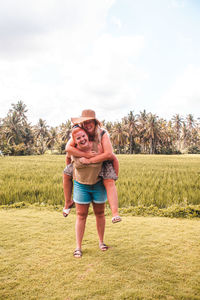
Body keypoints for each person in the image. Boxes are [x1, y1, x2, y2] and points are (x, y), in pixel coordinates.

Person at [63, 109, 121, 223]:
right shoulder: (79, 132)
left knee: (109, 181)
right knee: (66, 174)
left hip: (102, 161)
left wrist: (90, 160)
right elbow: (68, 148)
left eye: (90, 122)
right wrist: (85, 155)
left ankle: (115, 213)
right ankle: (67, 202)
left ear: (95, 123)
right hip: (80, 163)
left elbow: (110, 154)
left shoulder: (102, 133)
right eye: (85, 122)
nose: (87, 124)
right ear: (82, 124)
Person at [70, 125, 108, 258]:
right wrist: (83, 158)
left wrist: (88, 160)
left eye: (83, 136)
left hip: (98, 184)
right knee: (81, 215)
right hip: (81, 185)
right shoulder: (73, 151)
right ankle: (78, 247)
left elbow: (106, 157)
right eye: (78, 138)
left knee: (100, 213)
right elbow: (78, 165)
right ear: (74, 141)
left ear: (87, 136)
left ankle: (101, 242)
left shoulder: (98, 145)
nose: (81, 139)